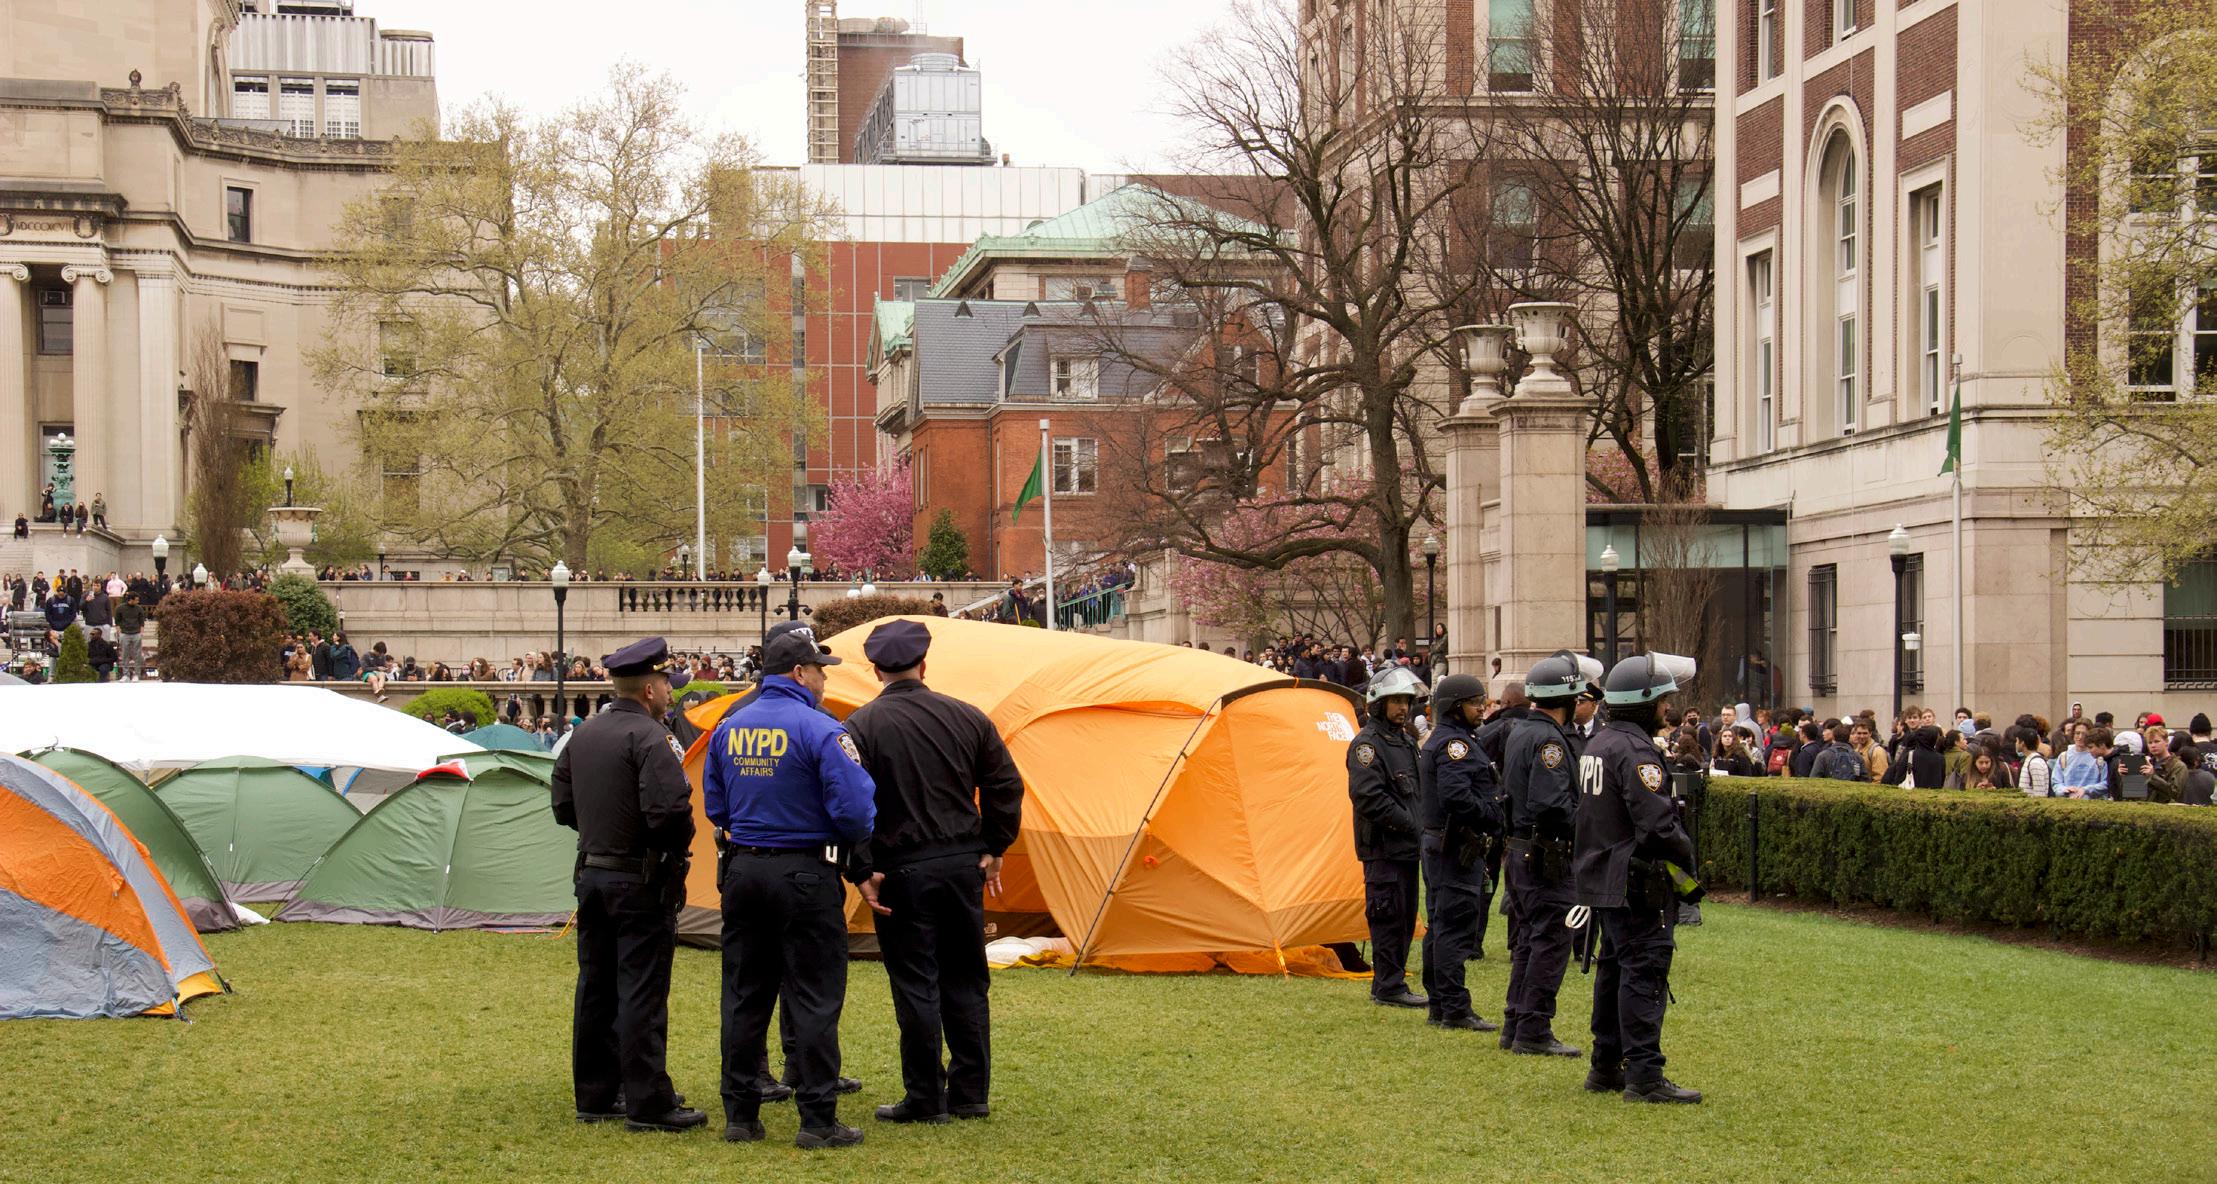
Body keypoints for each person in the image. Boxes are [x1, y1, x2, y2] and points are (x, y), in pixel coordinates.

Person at [841, 620, 1025, 1124]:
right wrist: (995, 844)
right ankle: (970, 1092)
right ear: (924, 665)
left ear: (876, 671)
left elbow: (851, 804)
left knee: (915, 982)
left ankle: (924, 1095)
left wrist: (862, 866)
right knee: (966, 977)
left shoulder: (860, 726)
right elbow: (1005, 784)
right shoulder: (968, 717)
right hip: (962, 863)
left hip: (900, 869)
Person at [705, 630, 876, 1150]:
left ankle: (740, 1115)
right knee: (815, 996)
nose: (825, 679)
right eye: (820, 670)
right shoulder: (822, 729)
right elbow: (856, 811)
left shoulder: (728, 728)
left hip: (743, 871)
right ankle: (818, 1120)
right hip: (805, 874)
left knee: (744, 994)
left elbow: (716, 806)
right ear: (800, 673)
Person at [549, 638, 704, 1134]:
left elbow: (562, 805)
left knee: (596, 986)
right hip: (640, 878)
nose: (671, 693)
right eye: (667, 684)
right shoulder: (652, 737)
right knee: (642, 989)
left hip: (593, 873)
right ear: (650, 688)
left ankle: (597, 1093)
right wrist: (670, 852)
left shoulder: (584, 735)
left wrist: (603, 834)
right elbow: (669, 812)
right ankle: (648, 1101)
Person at [1575, 654, 1702, 1104]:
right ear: (1644, 702)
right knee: (1644, 970)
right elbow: (1657, 825)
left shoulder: (1600, 742)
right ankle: (1645, 1075)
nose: (1668, 708)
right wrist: (1686, 853)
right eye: (1663, 700)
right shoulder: (1635, 751)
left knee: (1613, 969)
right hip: (1635, 880)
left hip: (1607, 876)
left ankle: (1606, 1065)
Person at [1498, 652, 1587, 1058]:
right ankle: (1533, 1029)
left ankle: (1516, 1023)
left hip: (1521, 851)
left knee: (1530, 941)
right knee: (1551, 940)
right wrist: (1586, 822)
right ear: (1566, 699)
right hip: (1544, 855)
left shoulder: (1521, 731)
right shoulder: (1550, 741)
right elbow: (1551, 805)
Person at [1415, 673, 1503, 1034]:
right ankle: (1454, 1007)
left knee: (1440, 925)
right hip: (1455, 846)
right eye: (1474, 703)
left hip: (1441, 844)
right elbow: (1456, 796)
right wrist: (1492, 814)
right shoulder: (1456, 745)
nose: (1482, 708)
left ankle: (1440, 1003)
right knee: (1454, 926)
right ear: (1455, 707)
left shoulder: (1453, 739)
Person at [1346, 664, 1428, 1010]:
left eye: (1406, 701)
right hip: (1383, 848)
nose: (1402, 708)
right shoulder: (1367, 745)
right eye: (1395, 701)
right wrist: (1410, 824)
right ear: (1379, 704)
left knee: (1405, 917)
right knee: (1388, 916)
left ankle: (1392, 981)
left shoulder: (1405, 741)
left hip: (1407, 848)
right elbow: (1368, 797)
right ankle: (1388, 985)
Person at [115, 594, 146, 681]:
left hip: (136, 633)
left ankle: (137, 674)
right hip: (124, 633)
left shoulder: (139, 608)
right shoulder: (120, 608)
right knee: (125, 655)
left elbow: (142, 622)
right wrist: (119, 633)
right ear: (131, 600)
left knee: (137, 655)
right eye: (136, 600)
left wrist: (141, 633)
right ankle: (126, 675)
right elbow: (117, 622)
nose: (138, 601)